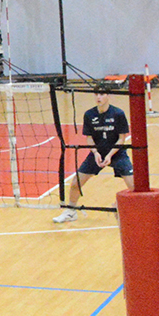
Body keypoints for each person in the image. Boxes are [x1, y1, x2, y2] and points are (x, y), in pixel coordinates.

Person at [53, 84, 134, 223]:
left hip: (117, 153)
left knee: (134, 186)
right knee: (76, 182)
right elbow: (89, 138)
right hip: (98, 153)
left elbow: (122, 138)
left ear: (108, 96)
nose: (98, 97)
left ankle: (118, 204)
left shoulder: (118, 114)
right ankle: (71, 211)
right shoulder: (89, 115)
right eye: (96, 94)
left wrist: (109, 155)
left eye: (102, 94)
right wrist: (95, 152)